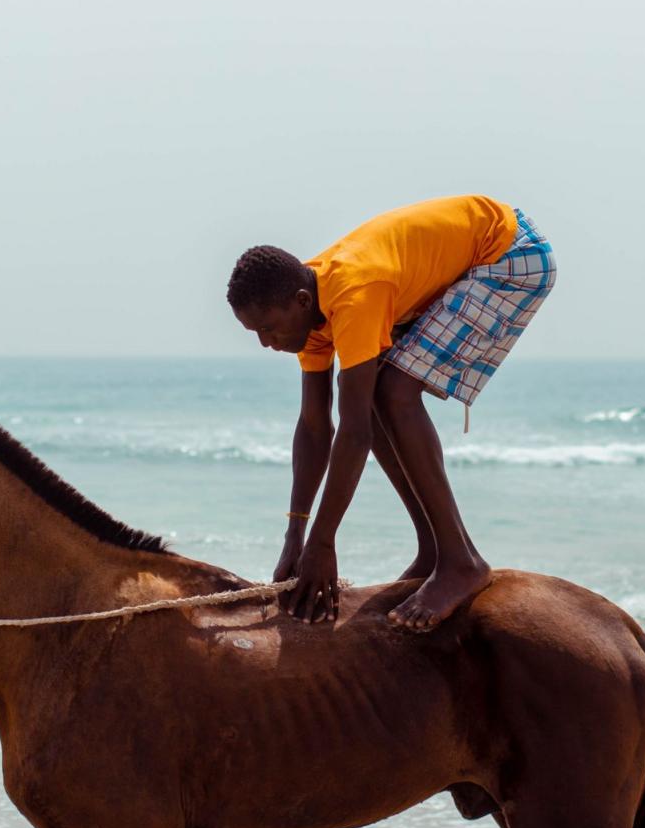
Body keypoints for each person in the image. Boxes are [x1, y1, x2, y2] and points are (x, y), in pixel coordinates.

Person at [226, 195, 556, 631]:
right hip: (465, 258)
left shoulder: (355, 293)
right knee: (374, 392)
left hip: (510, 254)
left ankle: (460, 561)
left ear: (301, 301)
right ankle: (434, 551)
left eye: (268, 328)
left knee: (393, 390)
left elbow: (355, 432)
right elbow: (314, 425)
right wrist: (296, 535)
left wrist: (322, 543)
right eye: (256, 333)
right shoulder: (308, 310)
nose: (266, 343)